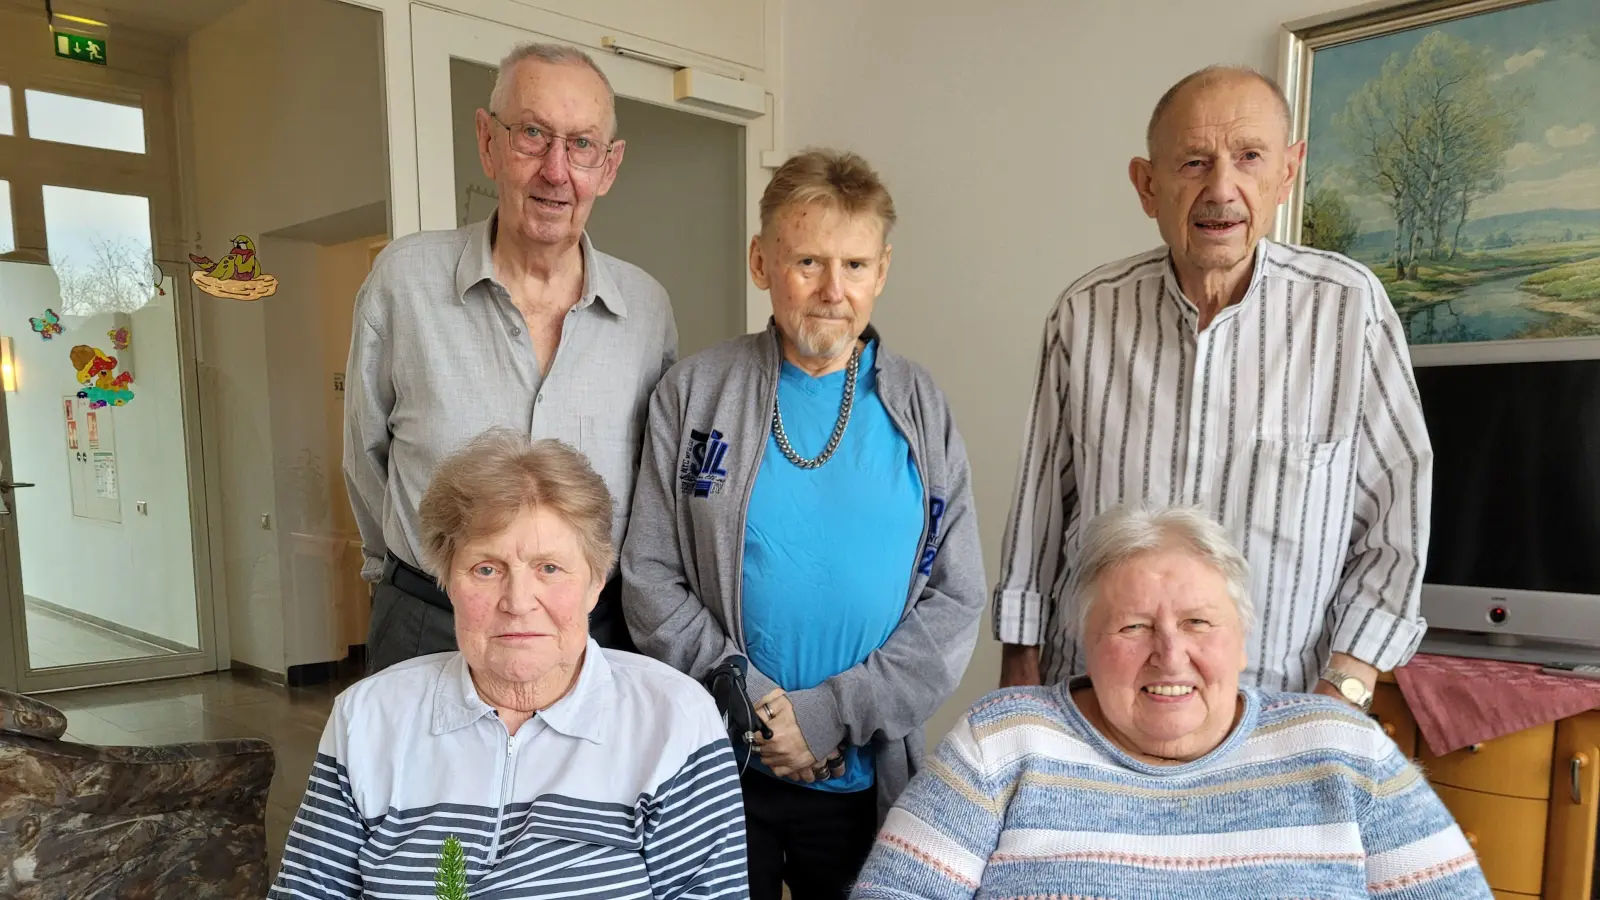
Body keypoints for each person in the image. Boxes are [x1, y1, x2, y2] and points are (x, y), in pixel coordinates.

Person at [992, 65, 1433, 707]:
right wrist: (1017, 688)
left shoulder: (1349, 309)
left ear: (1286, 173)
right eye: (1194, 162)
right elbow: (1037, 516)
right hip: (1099, 709)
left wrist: (1344, 691)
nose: (1221, 188)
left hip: (1279, 716)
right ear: (1148, 186)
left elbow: (1396, 522)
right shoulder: (1085, 315)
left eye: (1249, 157)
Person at [619, 149, 987, 900]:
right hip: (720, 768)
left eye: (854, 265)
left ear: (882, 271)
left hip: (863, 776)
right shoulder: (693, 394)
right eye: (808, 261)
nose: (832, 290)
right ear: (761, 261)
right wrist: (750, 703)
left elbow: (956, 599)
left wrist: (828, 715)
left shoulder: (921, 408)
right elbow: (648, 575)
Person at [853, 503, 1489, 900]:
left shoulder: (1343, 748)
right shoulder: (1001, 741)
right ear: (1086, 643)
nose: (1169, 654)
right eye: (1132, 627)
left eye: (1198, 624)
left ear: (1243, 641)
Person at [271, 431, 747, 899]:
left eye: (549, 568)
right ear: (447, 581)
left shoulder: (674, 720)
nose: (518, 602)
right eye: (486, 569)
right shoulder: (368, 717)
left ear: (595, 583)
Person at [344, 41, 676, 672]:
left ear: (608, 167)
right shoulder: (404, 281)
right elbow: (365, 456)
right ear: (487, 141)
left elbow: (653, 485)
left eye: (581, 145)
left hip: (592, 630)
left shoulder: (648, 310)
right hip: (430, 622)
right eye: (532, 134)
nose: (556, 170)